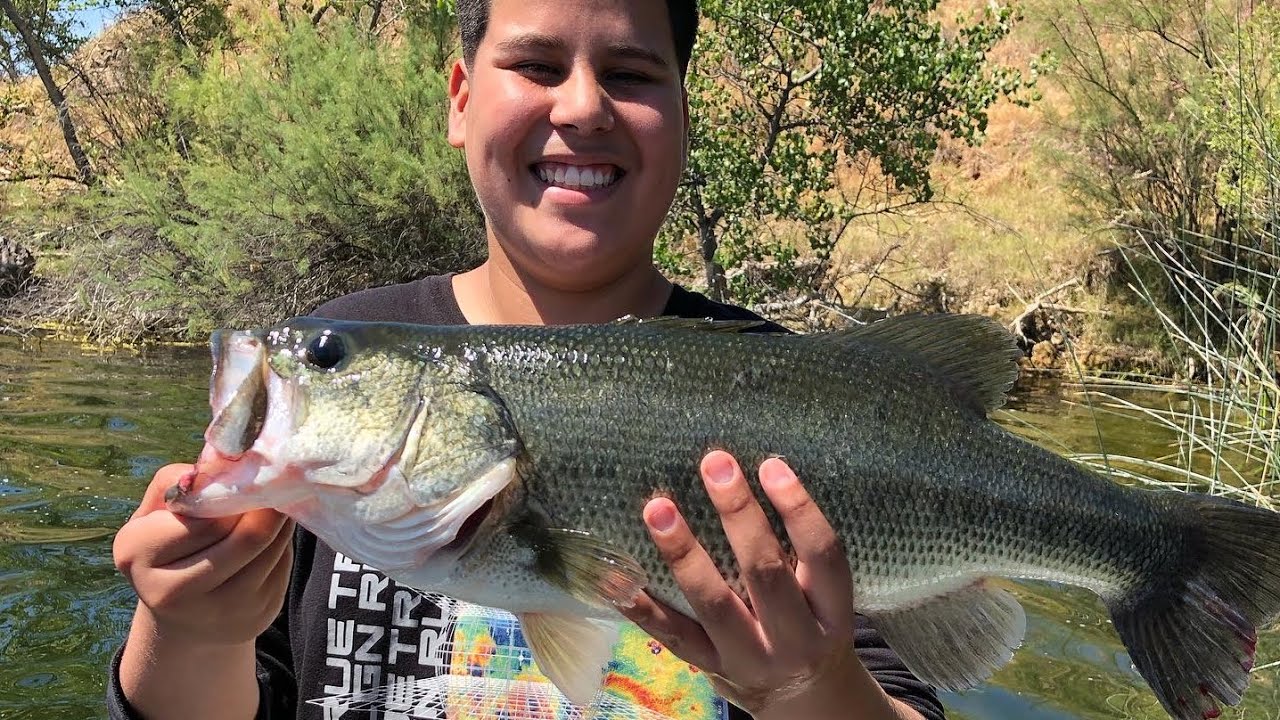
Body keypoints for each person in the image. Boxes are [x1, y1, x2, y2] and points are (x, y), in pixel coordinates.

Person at [108, 1, 947, 719]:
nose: (583, 106)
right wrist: (187, 631)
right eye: (537, 63)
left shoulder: (798, 397)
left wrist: (814, 687)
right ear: (461, 100)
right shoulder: (345, 356)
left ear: (685, 117)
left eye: (630, 72)